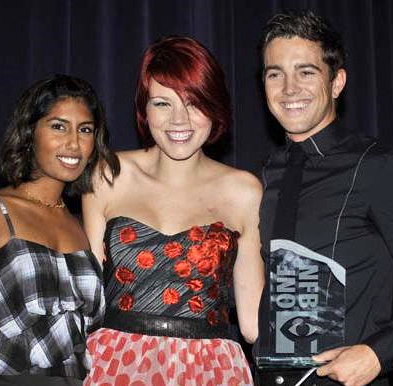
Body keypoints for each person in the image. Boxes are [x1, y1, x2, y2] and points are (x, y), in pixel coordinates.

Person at [255, 9, 393, 386]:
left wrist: (379, 353)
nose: (289, 88)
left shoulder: (379, 166)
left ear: (337, 82)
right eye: (274, 73)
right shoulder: (265, 175)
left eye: (306, 72)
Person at [82, 36, 264, 386]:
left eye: (194, 103)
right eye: (163, 103)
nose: (179, 119)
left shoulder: (244, 191)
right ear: (144, 109)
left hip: (211, 370)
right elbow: (88, 298)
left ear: (216, 108)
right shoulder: (108, 174)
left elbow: (254, 324)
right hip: (116, 365)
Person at [0, 74, 120, 386]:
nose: (74, 142)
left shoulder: (82, 227)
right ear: (29, 133)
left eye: (85, 130)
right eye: (58, 126)